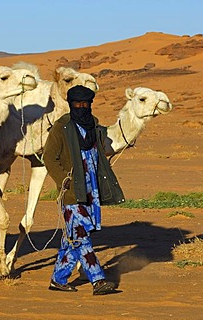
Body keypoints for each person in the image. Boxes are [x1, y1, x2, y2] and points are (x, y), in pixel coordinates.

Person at [43, 85, 125, 295]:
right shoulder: (61, 128)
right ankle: (98, 280)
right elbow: (49, 158)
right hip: (72, 191)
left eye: (85, 104)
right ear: (71, 105)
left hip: (92, 191)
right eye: (77, 104)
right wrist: (64, 180)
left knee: (72, 238)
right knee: (80, 235)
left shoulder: (95, 127)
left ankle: (58, 279)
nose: (82, 107)